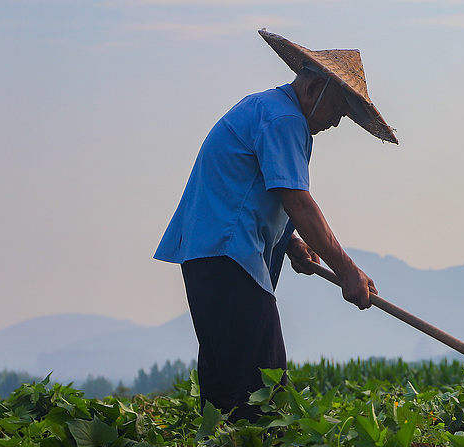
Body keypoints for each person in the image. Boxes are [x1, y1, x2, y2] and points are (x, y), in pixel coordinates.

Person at [154, 30, 397, 421]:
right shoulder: (286, 120)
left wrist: (291, 244)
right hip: (230, 256)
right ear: (315, 87)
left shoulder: (265, 107)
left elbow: (247, 189)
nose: (336, 123)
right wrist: (349, 272)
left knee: (225, 387)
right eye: (338, 110)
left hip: (206, 255)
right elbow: (297, 201)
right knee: (261, 390)